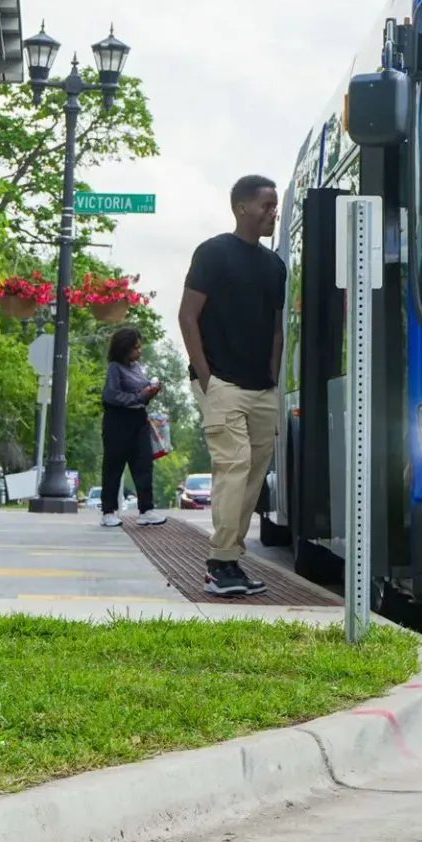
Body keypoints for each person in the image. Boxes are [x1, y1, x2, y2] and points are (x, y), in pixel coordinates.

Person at [179, 174, 286, 598]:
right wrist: (207, 377)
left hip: (262, 389)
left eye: (275, 205)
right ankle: (219, 562)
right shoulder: (213, 254)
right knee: (234, 465)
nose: (272, 212)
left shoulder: (274, 265)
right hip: (222, 383)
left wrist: (274, 379)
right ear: (241, 207)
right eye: (266, 205)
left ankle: (229, 560)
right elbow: (188, 316)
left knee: (253, 477)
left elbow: (277, 330)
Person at [99, 327, 166, 529]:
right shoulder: (115, 368)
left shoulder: (137, 366)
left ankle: (146, 510)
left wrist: (151, 391)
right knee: (114, 465)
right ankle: (108, 511)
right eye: (135, 348)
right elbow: (111, 396)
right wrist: (138, 396)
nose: (139, 351)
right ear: (124, 348)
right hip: (118, 421)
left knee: (144, 464)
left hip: (139, 419)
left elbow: (141, 392)